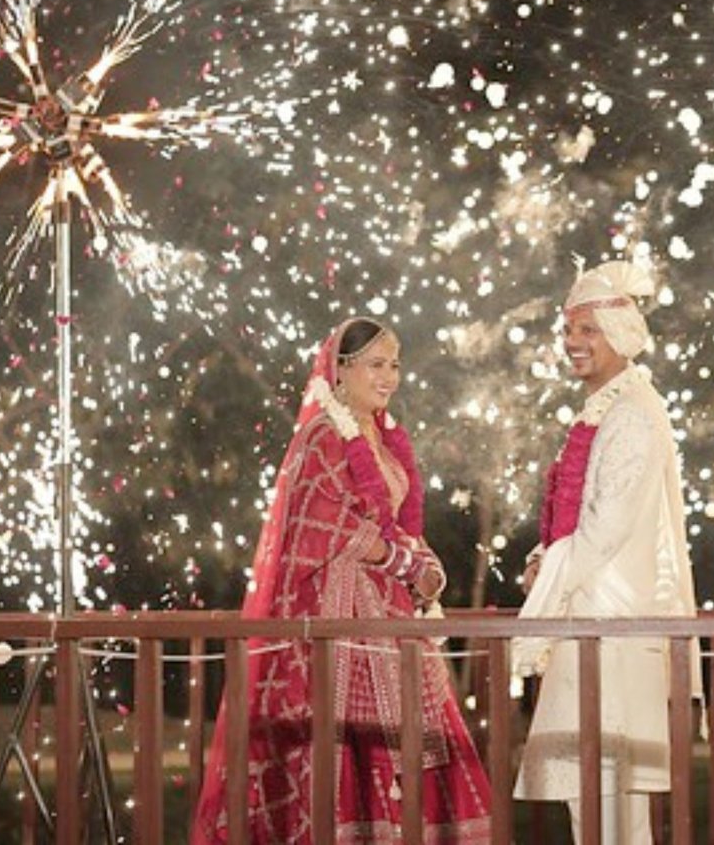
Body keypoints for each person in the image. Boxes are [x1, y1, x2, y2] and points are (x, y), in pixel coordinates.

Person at [191, 317, 492, 844]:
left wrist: (426, 565)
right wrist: (401, 563)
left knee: (414, 753)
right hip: (338, 621)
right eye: (376, 364)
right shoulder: (322, 435)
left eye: (395, 365)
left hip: (390, 618)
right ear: (341, 369)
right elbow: (323, 521)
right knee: (347, 757)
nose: (390, 377)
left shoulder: (386, 437)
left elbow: (396, 524)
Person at [513, 259, 701, 844]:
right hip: (592, 622)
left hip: (610, 629)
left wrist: (547, 576)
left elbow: (603, 530)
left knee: (610, 806)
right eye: (568, 329)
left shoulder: (633, 417)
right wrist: (549, 563)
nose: (572, 342)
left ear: (620, 334)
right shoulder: (610, 410)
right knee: (594, 803)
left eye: (587, 330)